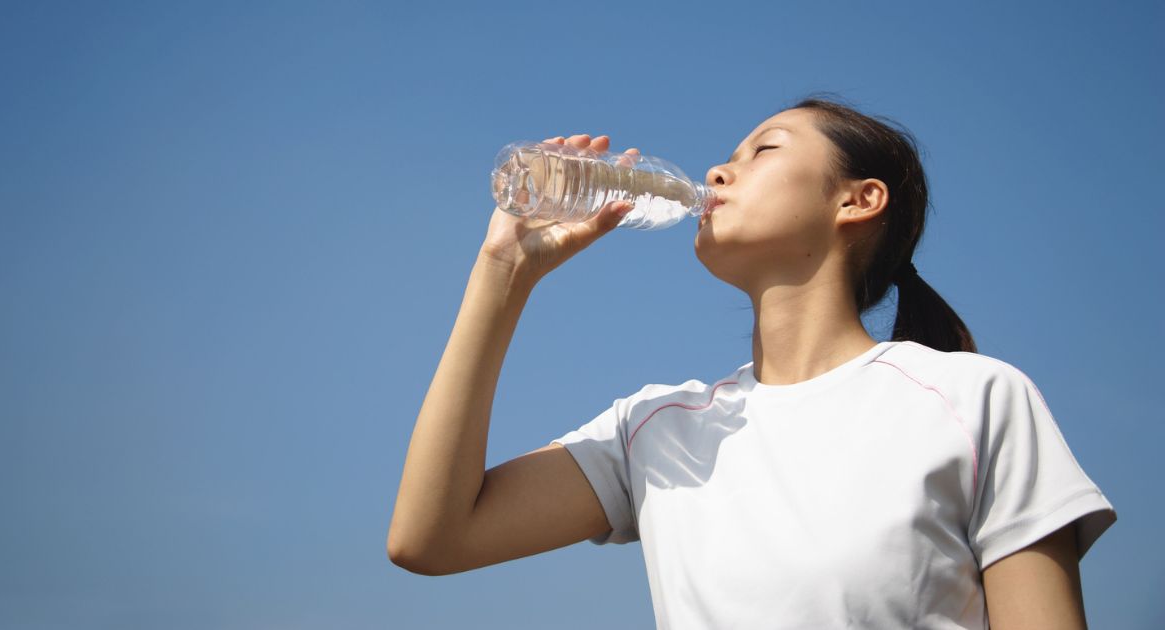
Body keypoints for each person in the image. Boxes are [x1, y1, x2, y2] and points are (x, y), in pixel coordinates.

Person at [387, 95, 1117, 629]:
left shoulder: (971, 398)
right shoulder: (654, 431)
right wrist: (502, 272)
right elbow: (430, 538)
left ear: (858, 201)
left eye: (762, 150)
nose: (717, 170)